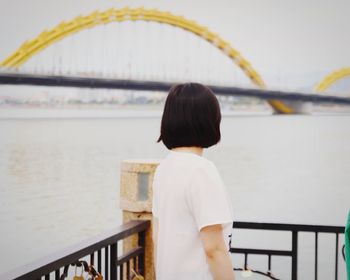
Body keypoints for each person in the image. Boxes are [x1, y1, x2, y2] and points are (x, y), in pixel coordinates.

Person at [152, 83, 235, 280]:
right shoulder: (201, 171)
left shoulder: (163, 168)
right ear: (208, 120)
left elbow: (157, 236)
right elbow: (214, 249)